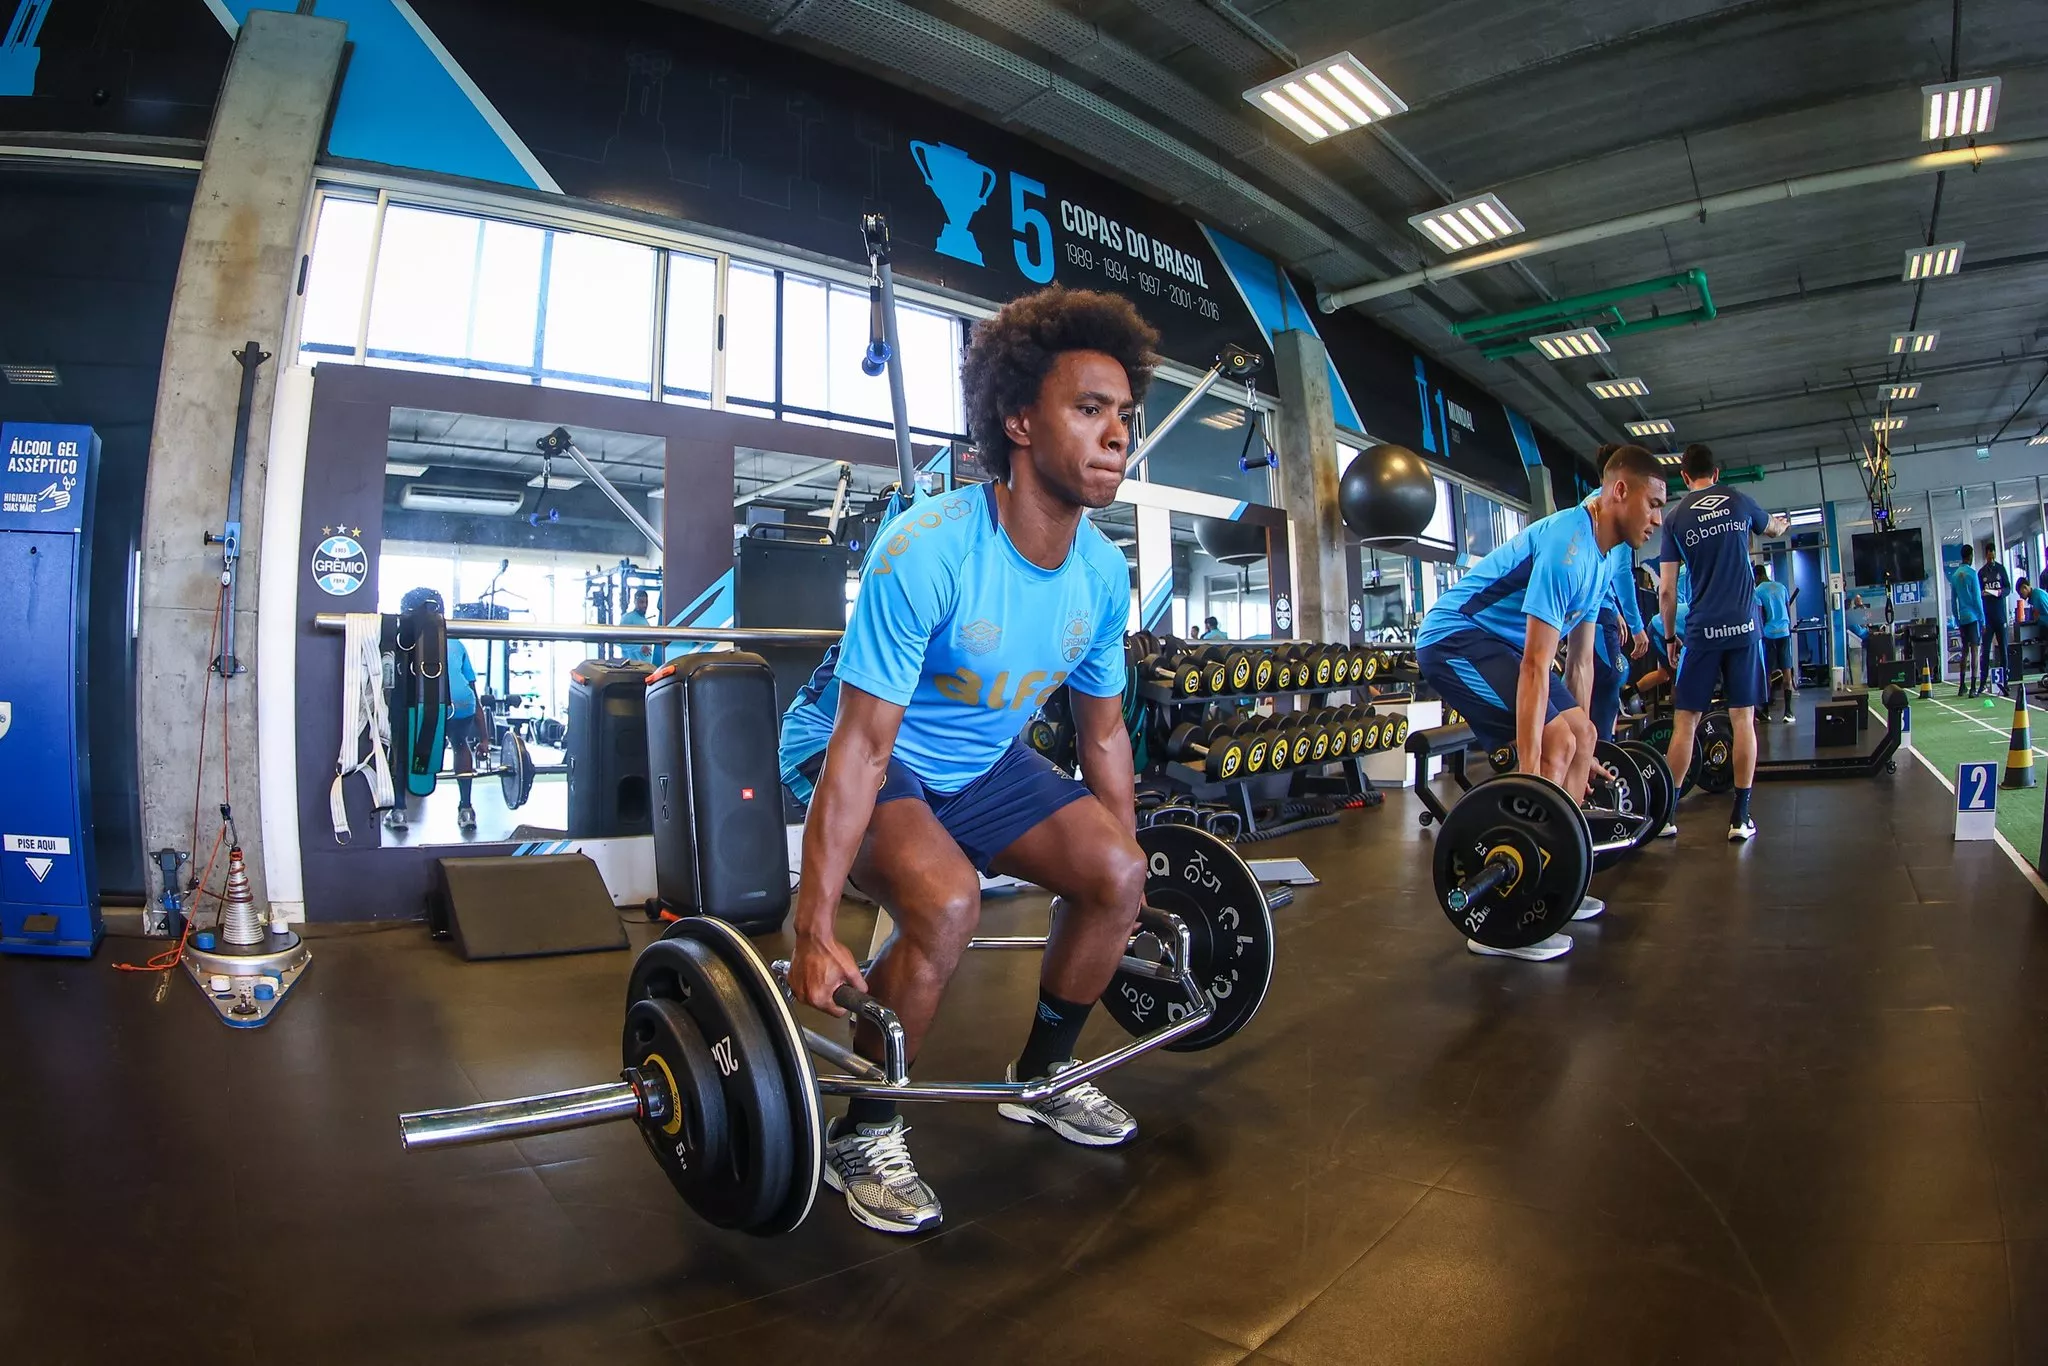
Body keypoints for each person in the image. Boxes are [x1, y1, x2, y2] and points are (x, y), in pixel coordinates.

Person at [778, 286, 1158, 1235]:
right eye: (1088, 409)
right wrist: (812, 927)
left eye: (1123, 414)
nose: (1116, 434)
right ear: (1020, 420)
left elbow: (1104, 734)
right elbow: (862, 746)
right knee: (945, 903)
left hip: (982, 761)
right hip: (864, 750)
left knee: (1117, 877)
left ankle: (1040, 1076)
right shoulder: (932, 547)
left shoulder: (1103, 575)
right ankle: (865, 1131)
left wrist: (1139, 865)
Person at [1415, 443, 1668, 961]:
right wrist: (1534, 779)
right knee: (1552, 745)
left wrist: (1582, 744)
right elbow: (1535, 665)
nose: (1658, 519)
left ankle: (1559, 879)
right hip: (1454, 639)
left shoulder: (1602, 557)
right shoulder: (1567, 548)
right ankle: (1505, 919)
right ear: (1621, 491)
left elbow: (1580, 664)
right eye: (1655, 503)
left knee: (1584, 737)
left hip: (1500, 645)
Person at [1658, 444, 1791, 843]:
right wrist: (1782, 524)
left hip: (1702, 630)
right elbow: (1773, 528)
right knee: (1742, 720)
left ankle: (1666, 816)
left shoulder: (1674, 518)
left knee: (1685, 725)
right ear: (1715, 474)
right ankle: (1740, 817)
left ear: (1684, 478)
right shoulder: (1737, 500)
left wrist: (1668, 637)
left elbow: (1666, 591)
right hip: (1743, 628)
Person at [1753, 564, 1797, 723]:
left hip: (1769, 634)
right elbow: (1787, 609)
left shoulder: (1758, 591)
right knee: (1787, 673)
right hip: (1784, 633)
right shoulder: (1781, 587)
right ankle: (1789, 712)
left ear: (1757, 576)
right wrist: (1787, 626)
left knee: (1768, 674)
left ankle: (1765, 711)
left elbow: (1759, 616)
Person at [446, 635, 481, 832]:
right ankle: (466, 809)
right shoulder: (456, 643)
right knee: (460, 744)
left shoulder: (408, 638)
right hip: (462, 703)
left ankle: (400, 809)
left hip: (428, 703)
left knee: (408, 745)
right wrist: (484, 738)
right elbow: (473, 692)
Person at [1950, 545, 1984, 697]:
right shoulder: (1972, 574)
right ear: (1970, 556)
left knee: (1964, 651)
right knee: (1975, 651)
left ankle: (1961, 685)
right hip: (1973, 618)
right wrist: (1982, 619)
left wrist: (1957, 618)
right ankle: (1973, 688)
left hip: (1963, 618)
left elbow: (1953, 602)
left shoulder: (1955, 575)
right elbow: (1977, 599)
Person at [1978, 542, 2010, 695]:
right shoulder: (1981, 573)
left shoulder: (2001, 569)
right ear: (1986, 555)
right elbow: (1979, 593)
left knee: (2003, 649)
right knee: (1985, 650)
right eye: (1989, 555)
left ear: (1995, 554)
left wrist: (1999, 593)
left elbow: (2008, 588)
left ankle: (2005, 682)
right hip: (1987, 617)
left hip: (2000, 615)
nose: (1991, 558)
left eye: (1993, 555)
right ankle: (1982, 682)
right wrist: (1984, 593)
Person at [619, 588, 656, 665]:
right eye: (641, 602)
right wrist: (640, 648)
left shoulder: (644, 621)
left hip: (644, 666)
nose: (644, 605)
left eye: (646, 602)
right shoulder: (628, 618)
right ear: (635, 602)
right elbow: (620, 641)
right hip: (631, 667)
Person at [1844, 593, 1872, 686]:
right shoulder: (1850, 617)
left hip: (1862, 640)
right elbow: (1860, 632)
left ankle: (1865, 678)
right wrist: (1870, 632)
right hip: (1859, 642)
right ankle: (1864, 679)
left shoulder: (1853, 616)